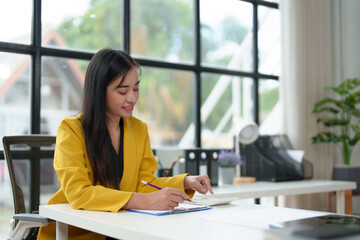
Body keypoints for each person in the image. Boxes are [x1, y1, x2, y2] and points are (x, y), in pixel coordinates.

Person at [38, 48, 213, 240]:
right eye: (123, 91)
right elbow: (78, 193)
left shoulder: (139, 129)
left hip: (120, 229)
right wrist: (144, 201)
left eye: (136, 88)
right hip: (76, 232)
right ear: (99, 91)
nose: (132, 98)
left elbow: (145, 183)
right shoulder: (71, 129)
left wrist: (185, 182)